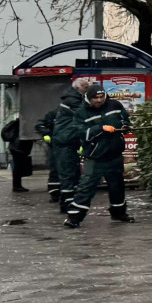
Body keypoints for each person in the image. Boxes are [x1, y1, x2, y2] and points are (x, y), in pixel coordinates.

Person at [64, 84, 134, 228]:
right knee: (86, 187)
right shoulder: (81, 113)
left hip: (114, 155)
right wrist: (100, 128)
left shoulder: (114, 105)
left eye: (102, 97)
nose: (100, 100)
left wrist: (125, 126)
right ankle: (74, 218)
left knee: (117, 186)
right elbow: (81, 133)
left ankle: (119, 213)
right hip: (95, 157)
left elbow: (124, 118)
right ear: (89, 99)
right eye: (96, 98)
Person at [53, 78, 89, 213]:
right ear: (78, 88)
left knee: (72, 174)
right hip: (65, 142)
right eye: (86, 87)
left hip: (69, 141)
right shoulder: (72, 101)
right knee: (68, 174)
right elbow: (84, 114)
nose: (87, 89)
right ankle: (67, 205)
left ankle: (68, 202)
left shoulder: (73, 98)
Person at [1, 119, 34, 192]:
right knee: (18, 167)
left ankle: (17, 186)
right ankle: (17, 186)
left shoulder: (17, 122)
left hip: (15, 147)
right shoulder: (22, 123)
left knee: (17, 167)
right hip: (19, 147)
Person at [35, 110, 60, 202]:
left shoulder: (54, 114)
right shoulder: (53, 114)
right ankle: (56, 193)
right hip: (57, 145)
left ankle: (56, 193)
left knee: (56, 170)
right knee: (56, 169)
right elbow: (40, 125)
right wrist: (46, 133)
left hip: (60, 145)